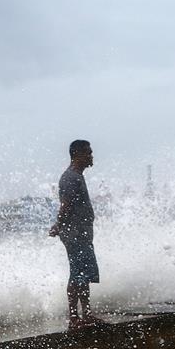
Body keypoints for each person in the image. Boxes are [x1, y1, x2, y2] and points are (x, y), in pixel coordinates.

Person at [49, 140, 104, 330]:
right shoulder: (71, 177)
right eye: (88, 152)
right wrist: (58, 225)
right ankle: (74, 319)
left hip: (81, 234)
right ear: (78, 154)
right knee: (76, 274)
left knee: (84, 274)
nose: (91, 156)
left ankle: (86, 314)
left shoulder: (77, 176)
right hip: (74, 235)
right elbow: (66, 204)